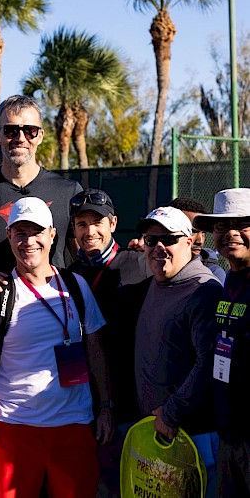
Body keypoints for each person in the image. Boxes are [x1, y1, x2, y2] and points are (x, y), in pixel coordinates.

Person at [0, 196, 113, 498]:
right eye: (20, 233)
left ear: (52, 234)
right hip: (13, 428)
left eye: (36, 232)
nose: (29, 241)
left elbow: (96, 352)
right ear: (9, 236)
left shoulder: (77, 287)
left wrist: (106, 407)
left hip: (74, 427)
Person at [67, 188, 152, 497]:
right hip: (82, 406)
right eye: (81, 223)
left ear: (113, 223)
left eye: (97, 222)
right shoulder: (69, 276)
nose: (90, 231)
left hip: (131, 406)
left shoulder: (141, 264)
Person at [135, 206, 222, 498]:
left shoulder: (203, 290)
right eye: (151, 240)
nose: (159, 247)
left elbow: (209, 361)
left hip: (194, 435)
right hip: (160, 434)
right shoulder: (157, 282)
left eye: (169, 239)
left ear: (189, 242)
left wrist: (172, 413)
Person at [0, 94, 83, 274]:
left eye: (30, 130)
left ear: (40, 136)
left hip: (53, 300)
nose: (21, 138)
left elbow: (86, 256)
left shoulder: (68, 191)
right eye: (11, 131)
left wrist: (131, 255)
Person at [193, 188, 250, 497]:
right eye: (221, 226)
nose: (231, 233)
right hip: (229, 432)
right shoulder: (230, 279)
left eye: (242, 224)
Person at [128, 197, 227, 284]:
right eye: (192, 231)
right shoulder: (142, 263)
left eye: (169, 239)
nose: (199, 240)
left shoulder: (210, 279)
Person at [169, 197, 226, 284]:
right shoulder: (147, 263)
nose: (200, 241)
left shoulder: (214, 275)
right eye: (192, 231)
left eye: (203, 233)